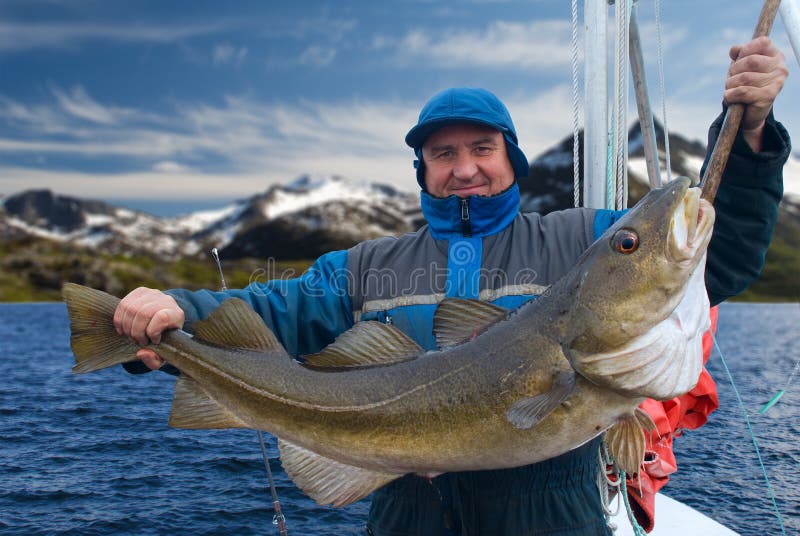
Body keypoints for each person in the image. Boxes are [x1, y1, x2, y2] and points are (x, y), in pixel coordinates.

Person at [115, 36, 790, 535]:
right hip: (407, 517)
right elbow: (278, 307)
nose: (464, 169)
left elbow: (716, 258)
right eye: (443, 154)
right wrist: (178, 312)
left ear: (512, 160)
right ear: (422, 170)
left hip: (549, 518)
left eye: (481, 150)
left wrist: (750, 131)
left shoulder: (581, 240)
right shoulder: (367, 265)